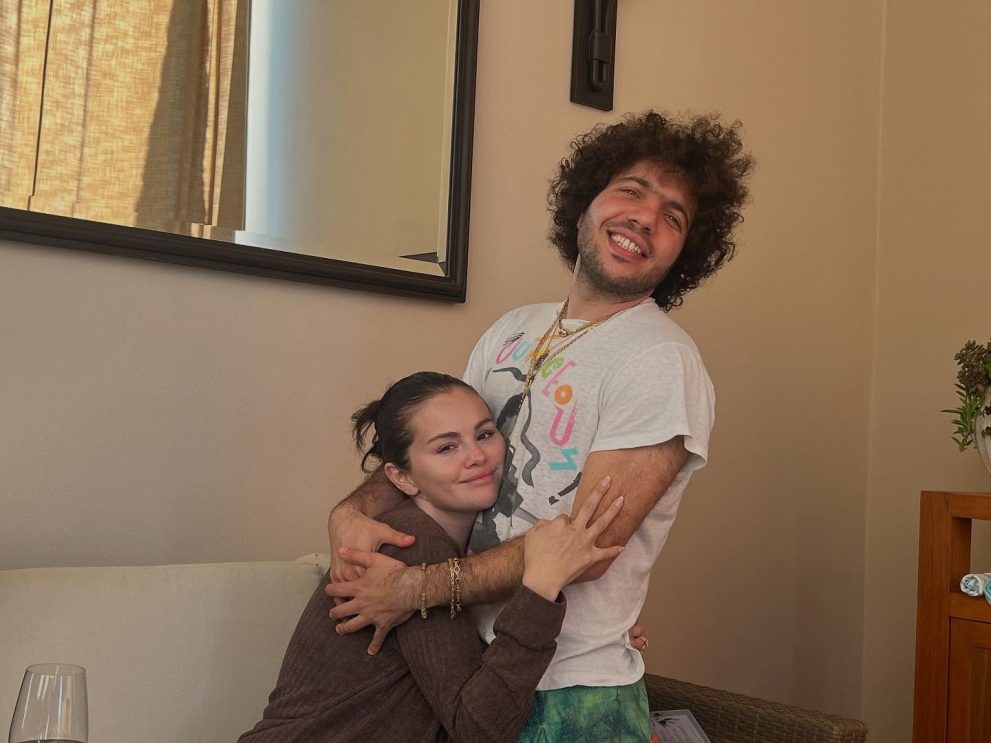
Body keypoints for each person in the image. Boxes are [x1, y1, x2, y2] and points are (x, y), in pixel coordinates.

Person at [325, 110, 754, 741]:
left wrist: (413, 589)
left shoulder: (661, 360)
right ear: (585, 203)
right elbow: (438, 456)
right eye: (631, 191)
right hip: (470, 671)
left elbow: (586, 549)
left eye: (673, 216)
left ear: (684, 253)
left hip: (571, 695)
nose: (645, 218)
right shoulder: (512, 328)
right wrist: (350, 512)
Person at [238, 372, 625, 742]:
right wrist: (540, 589)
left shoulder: (450, 546)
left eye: (484, 434)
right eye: (446, 447)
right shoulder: (411, 542)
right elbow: (479, 730)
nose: (476, 456)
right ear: (401, 478)